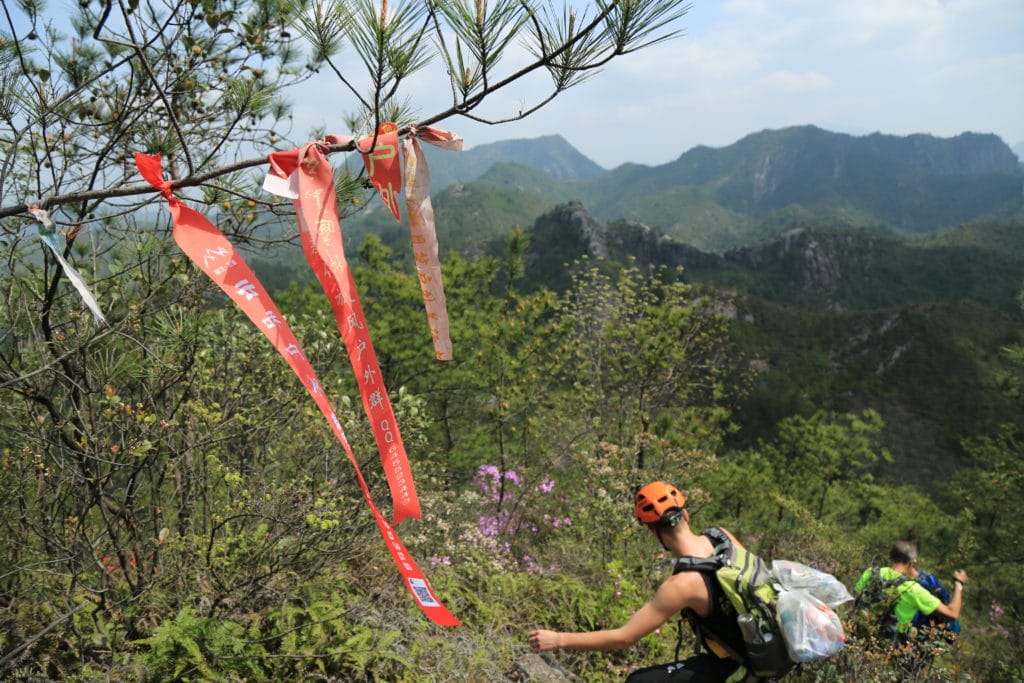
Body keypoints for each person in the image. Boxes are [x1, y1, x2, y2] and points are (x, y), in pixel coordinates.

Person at [527, 481, 755, 682]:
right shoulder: (721, 537)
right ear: (685, 515)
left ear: (653, 532)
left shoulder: (681, 585)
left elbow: (623, 638)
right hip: (763, 648)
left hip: (734, 665)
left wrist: (558, 639)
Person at [853, 540, 968, 638]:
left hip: (862, 636)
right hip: (890, 646)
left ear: (891, 556)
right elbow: (953, 613)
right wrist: (959, 584)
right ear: (912, 562)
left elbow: (854, 601)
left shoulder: (871, 573)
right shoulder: (912, 589)